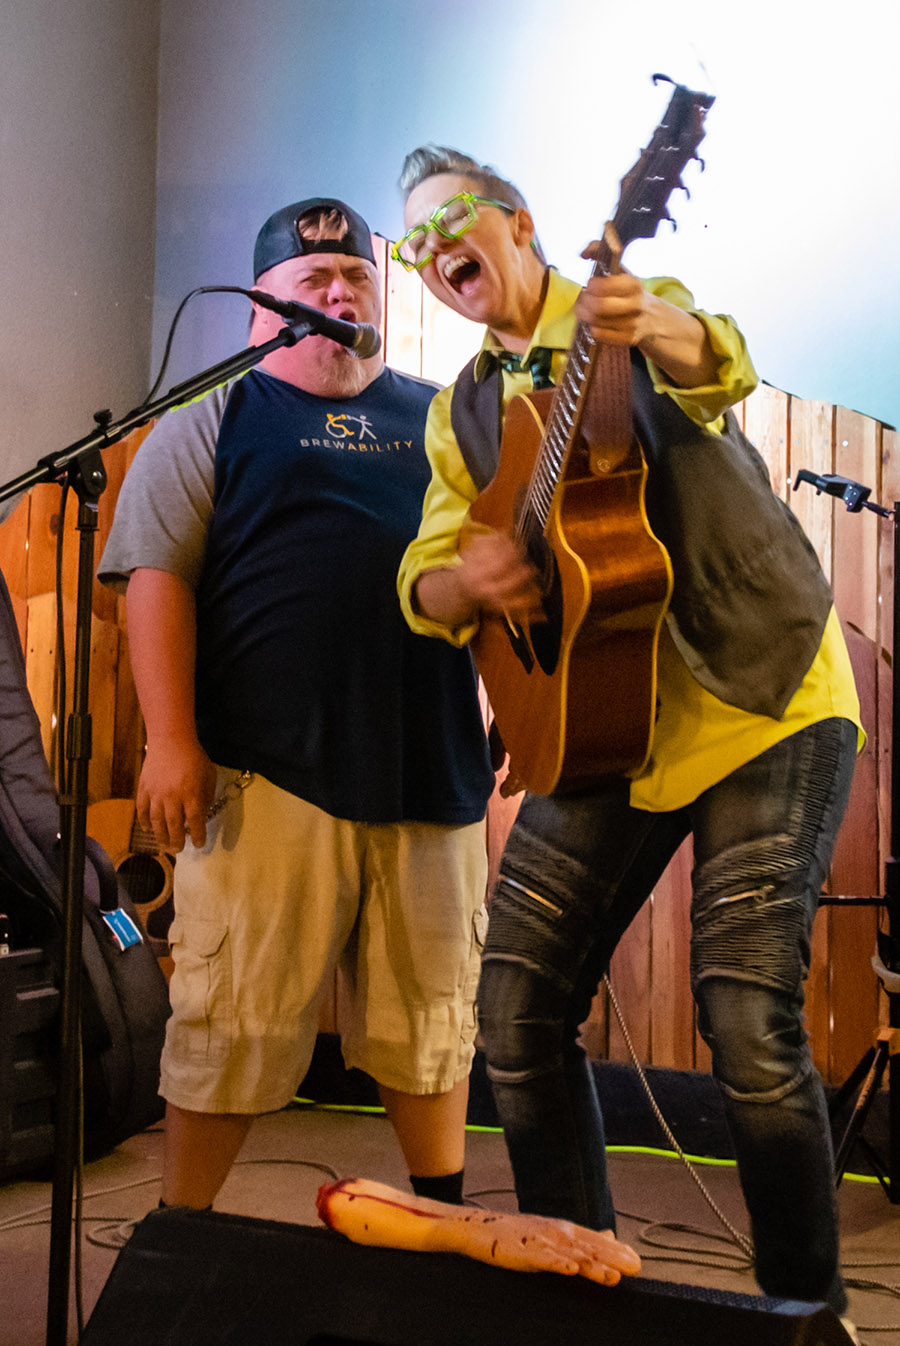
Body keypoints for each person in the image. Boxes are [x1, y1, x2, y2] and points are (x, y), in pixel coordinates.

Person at [394, 145, 863, 1320]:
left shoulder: (617, 312)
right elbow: (424, 570)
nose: (434, 248)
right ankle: (582, 1288)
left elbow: (718, 365)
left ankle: (809, 1312)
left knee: (746, 1014)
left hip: (760, 693)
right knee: (513, 1007)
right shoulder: (460, 413)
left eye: (451, 218)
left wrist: (649, 321)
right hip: (600, 725)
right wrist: (473, 579)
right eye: (413, 242)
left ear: (518, 221)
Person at [98, 196, 497, 1213]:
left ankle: (438, 1223)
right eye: (311, 282)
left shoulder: (449, 420)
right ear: (256, 311)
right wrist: (171, 740)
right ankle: (179, 1241)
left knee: (432, 1020)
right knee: (228, 1020)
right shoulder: (212, 420)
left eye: (354, 278)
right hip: (261, 771)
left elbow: (504, 569)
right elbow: (156, 575)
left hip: (430, 769)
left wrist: (530, 716)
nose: (336, 293)